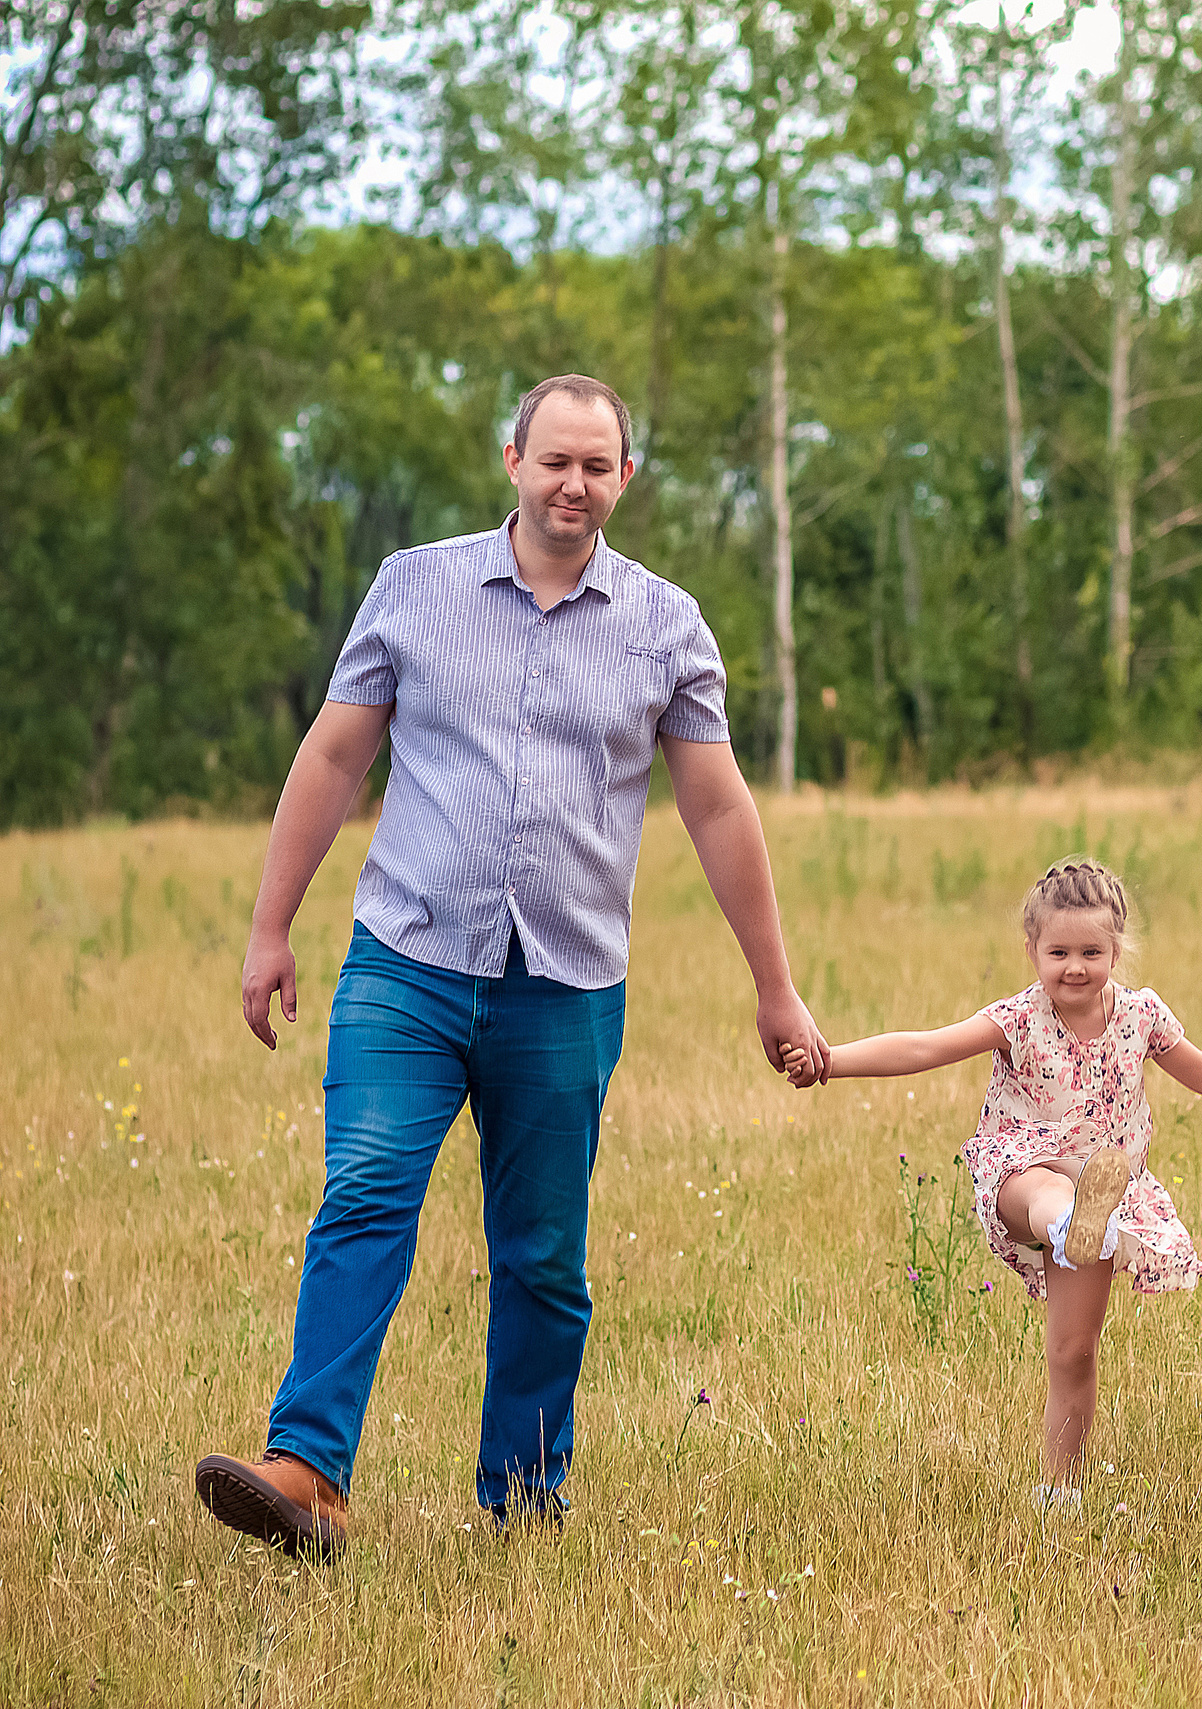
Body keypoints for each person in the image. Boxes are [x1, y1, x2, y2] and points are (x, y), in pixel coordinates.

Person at [194, 375, 830, 1558]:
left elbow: (718, 807)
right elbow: (334, 756)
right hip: (409, 960)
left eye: (597, 467)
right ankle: (307, 1470)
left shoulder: (665, 623)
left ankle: (525, 1502)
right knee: (367, 1194)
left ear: (625, 477)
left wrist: (774, 982)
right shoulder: (414, 585)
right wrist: (270, 924)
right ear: (513, 461)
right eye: (554, 462)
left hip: (567, 985)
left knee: (542, 1257)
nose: (573, 486)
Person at [783, 858, 1202, 1509]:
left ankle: (1061, 1492)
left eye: (1091, 951)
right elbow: (924, 1047)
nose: (1074, 967)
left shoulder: (1142, 1017)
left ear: (1118, 948)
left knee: (1074, 1350)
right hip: (1023, 1171)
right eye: (1058, 952)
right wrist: (831, 1063)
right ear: (1031, 950)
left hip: (1100, 1201)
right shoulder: (1020, 1019)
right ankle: (1072, 1218)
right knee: (1052, 1193)